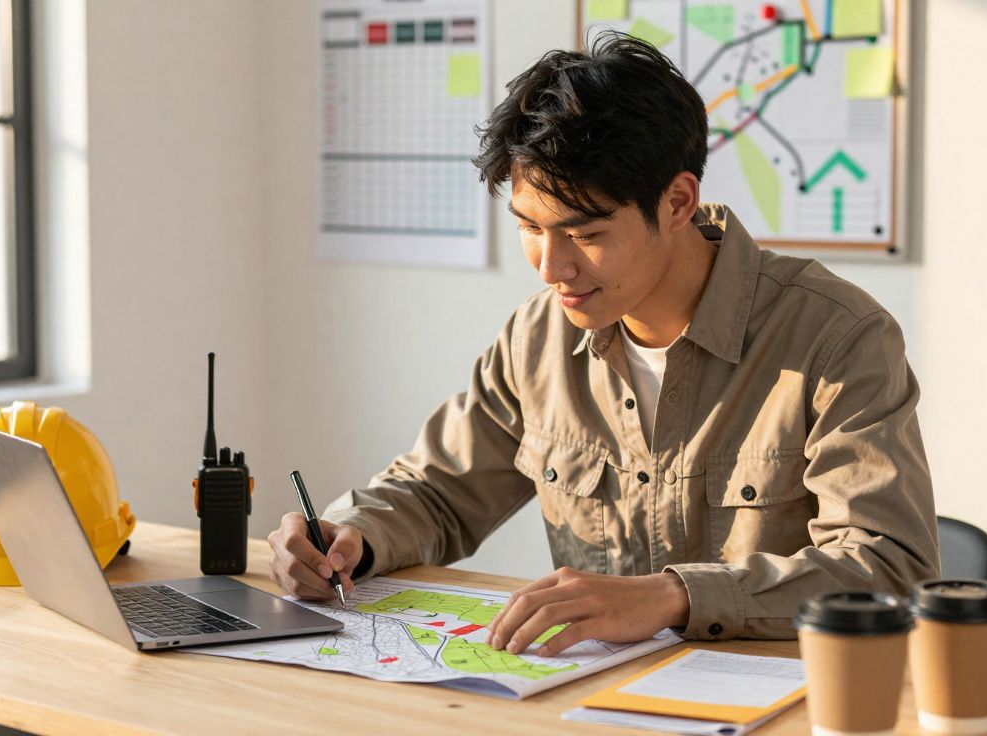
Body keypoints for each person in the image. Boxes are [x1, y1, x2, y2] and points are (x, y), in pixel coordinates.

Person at [267, 34, 937, 657]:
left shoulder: (837, 336)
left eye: (584, 235)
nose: (550, 268)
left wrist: (675, 595)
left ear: (677, 203)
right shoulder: (540, 336)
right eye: (529, 227)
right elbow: (437, 492)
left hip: (782, 702)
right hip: (592, 700)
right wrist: (351, 537)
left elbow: (889, 567)